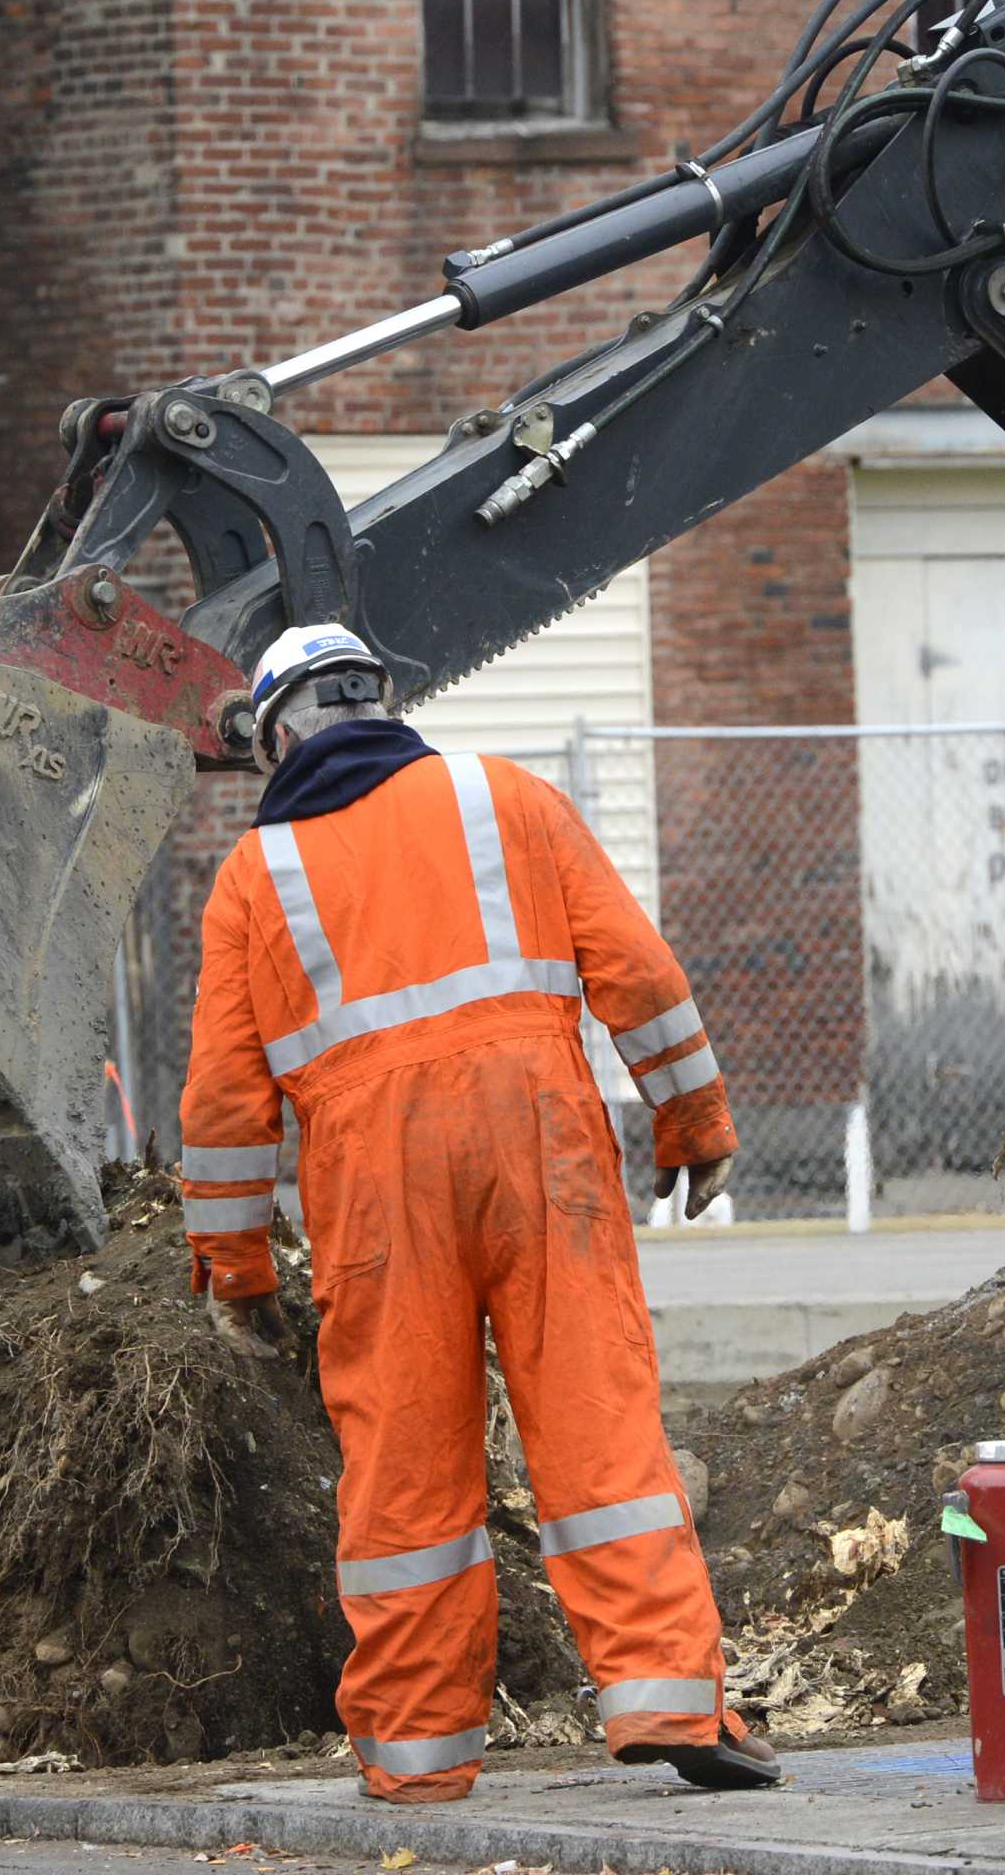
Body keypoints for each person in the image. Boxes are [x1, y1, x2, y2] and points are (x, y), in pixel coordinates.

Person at [177, 624, 778, 1805]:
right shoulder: (506, 796)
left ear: (275, 738)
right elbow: (637, 970)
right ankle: (666, 1693)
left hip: (375, 1190)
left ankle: (418, 1750)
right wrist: (692, 1119)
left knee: (404, 1467)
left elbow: (223, 1099)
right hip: (540, 1144)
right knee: (598, 1420)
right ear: (383, 700)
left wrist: (235, 1265)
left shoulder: (255, 874)